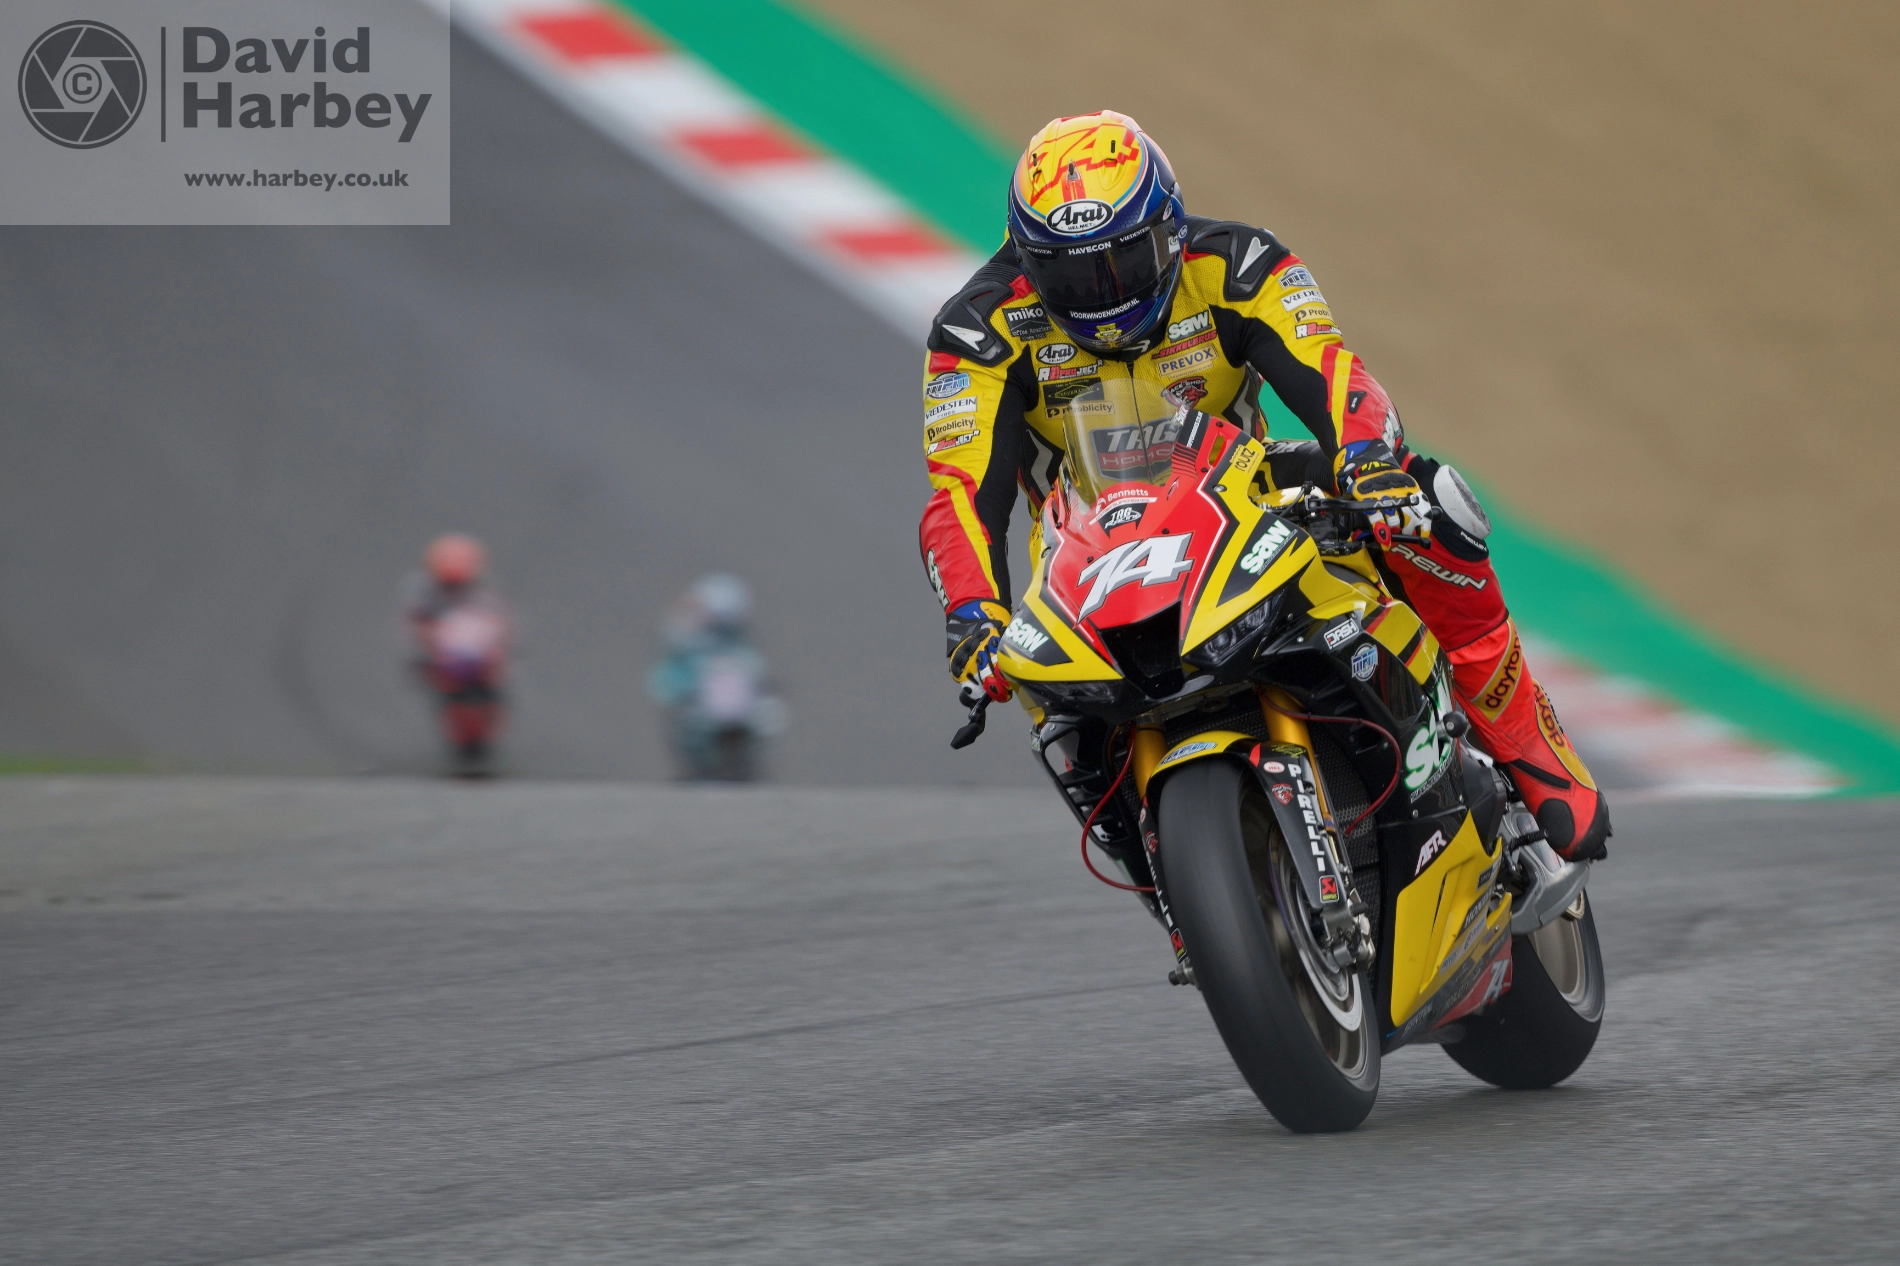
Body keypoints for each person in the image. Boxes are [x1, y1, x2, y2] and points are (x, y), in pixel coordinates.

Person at [917, 111, 1608, 860]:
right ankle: (1178, 878)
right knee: (1051, 711)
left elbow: (1332, 370)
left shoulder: (1239, 262)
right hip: (1084, 545)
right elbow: (960, 491)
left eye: (1122, 262)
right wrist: (972, 612)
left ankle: (1529, 745)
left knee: (1431, 503)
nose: (1098, 295)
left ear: (1172, 229)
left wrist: (1368, 458)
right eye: (1068, 273)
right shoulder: (975, 332)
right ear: (1024, 256)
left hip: (1244, 490)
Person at [648, 573, 784, 781]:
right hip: (704, 715)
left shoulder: (731, 650)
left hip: (726, 715)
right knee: (697, 740)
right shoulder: (696, 646)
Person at [402, 533, 514, 768]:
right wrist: (425, 644)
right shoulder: (422, 591)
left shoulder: (486, 591)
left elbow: (502, 621)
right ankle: (451, 718)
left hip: (477, 649)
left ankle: (493, 717)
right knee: (421, 670)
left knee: (502, 674)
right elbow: (413, 624)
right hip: (445, 652)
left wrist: (500, 647)